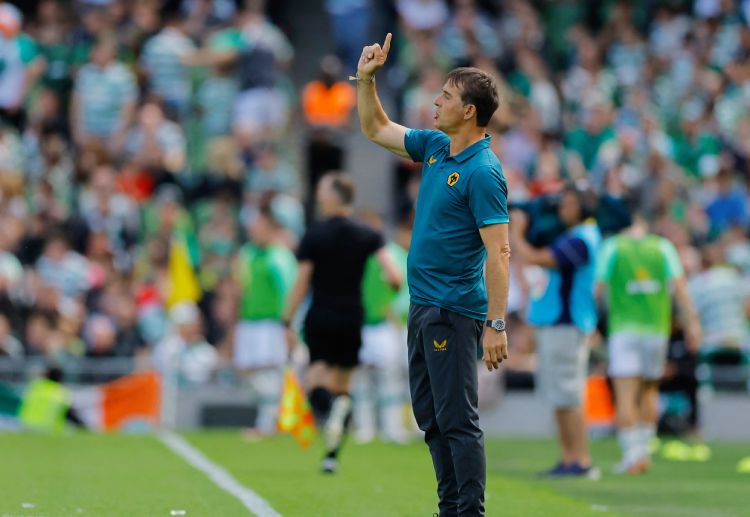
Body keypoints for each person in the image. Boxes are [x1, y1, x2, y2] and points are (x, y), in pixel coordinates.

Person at [357, 33, 510, 516]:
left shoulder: (484, 171)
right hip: (423, 307)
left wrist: (497, 323)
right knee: (431, 419)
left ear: (469, 111)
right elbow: (376, 129)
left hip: (452, 309)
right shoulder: (437, 147)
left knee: (457, 420)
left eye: (446, 96)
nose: (436, 101)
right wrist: (366, 79)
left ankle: (468, 512)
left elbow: (500, 253)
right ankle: (451, 508)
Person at [282, 171, 402, 474]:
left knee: (317, 378)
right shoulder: (368, 234)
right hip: (352, 316)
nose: (319, 196)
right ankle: (331, 455)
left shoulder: (315, 233)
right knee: (344, 387)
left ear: (334, 195)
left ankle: (330, 415)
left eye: (322, 190)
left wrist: (287, 318)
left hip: (321, 315)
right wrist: (385, 298)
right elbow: (395, 277)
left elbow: (302, 282)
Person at [595, 210, 701, 473]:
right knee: (650, 390)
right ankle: (643, 451)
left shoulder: (612, 247)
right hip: (656, 330)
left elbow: (597, 289)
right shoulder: (663, 248)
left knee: (626, 393)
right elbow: (680, 288)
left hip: (624, 329)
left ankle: (632, 455)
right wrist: (692, 325)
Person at [510, 187, 601, 478]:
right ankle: (569, 458)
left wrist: (516, 232)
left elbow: (537, 258)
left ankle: (580, 459)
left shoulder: (581, 239)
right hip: (556, 323)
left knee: (569, 394)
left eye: (570, 203)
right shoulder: (573, 236)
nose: (563, 208)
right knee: (559, 394)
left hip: (567, 322)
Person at [233, 201, 297, 436]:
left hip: (271, 324)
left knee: (269, 372)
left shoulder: (280, 257)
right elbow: (242, 287)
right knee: (249, 373)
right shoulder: (247, 253)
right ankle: (271, 418)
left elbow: (288, 292)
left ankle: (266, 424)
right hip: (249, 322)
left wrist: (288, 325)